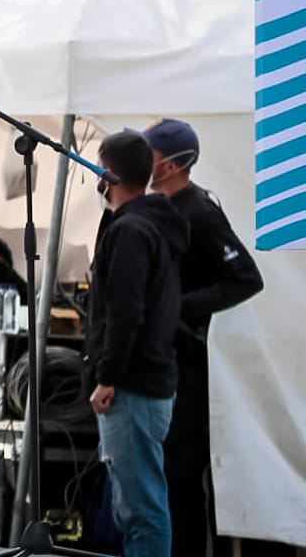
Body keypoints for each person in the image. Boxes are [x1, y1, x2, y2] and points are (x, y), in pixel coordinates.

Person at [141, 118, 264, 557]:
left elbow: (245, 278)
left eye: (148, 154)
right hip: (158, 362)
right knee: (161, 475)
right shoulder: (153, 208)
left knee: (182, 476)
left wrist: (182, 306)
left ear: (172, 165)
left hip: (186, 369)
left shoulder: (199, 210)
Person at [85, 132, 188, 557]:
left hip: (133, 388)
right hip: (147, 383)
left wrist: (108, 377)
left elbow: (125, 313)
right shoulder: (151, 224)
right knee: (138, 504)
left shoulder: (131, 230)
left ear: (108, 175)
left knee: (141, 509)